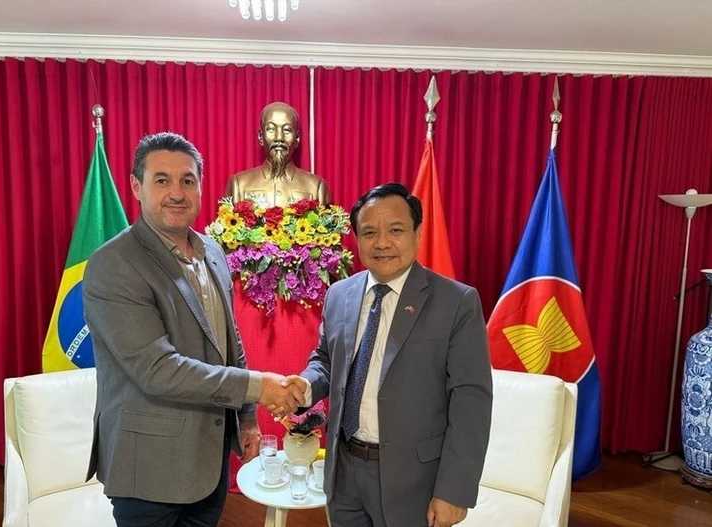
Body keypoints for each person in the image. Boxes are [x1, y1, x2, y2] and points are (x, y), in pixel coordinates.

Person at [83, 131, 305, 527]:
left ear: (201, 186)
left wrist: (249, 416)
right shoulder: (114, 265)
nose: (177, 192)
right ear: (137, 186)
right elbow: (158, 370)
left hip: (208, 463)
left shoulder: (212, 251)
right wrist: (260, 386)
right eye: (162, 180)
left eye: (187, 180)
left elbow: (228, 341)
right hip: (149, 470)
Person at [278, 183, 493, 527]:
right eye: (369, 232)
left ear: (417, 233)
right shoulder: (339, 294)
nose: (381, 243)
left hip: (414, 479)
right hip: (344, 468)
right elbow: (326, 360)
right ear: (357, 239)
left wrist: (454, 490)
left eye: (395, 230)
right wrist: (304, 386)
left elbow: (472, 404)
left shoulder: (456, 302)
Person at [224, 102, 332, 207]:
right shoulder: (238, 184)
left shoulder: (317, 187)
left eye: (287, 130)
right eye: (271, 129)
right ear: (261, 136)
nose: (279, 137)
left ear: (297, 138)